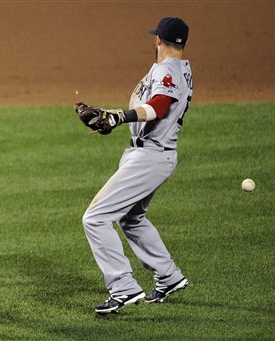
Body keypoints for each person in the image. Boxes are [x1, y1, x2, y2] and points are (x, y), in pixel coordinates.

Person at [76, 17, 193, 314]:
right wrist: (113, 116)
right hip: (151, 154)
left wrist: (118, 117)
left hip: (150, 157)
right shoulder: (180, 68)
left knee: (95, 218)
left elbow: (158, 107)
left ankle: (123, 287)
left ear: (158, 40)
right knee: (132, 219)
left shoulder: (168, 71)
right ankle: (169, 276)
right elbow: (153, 105)